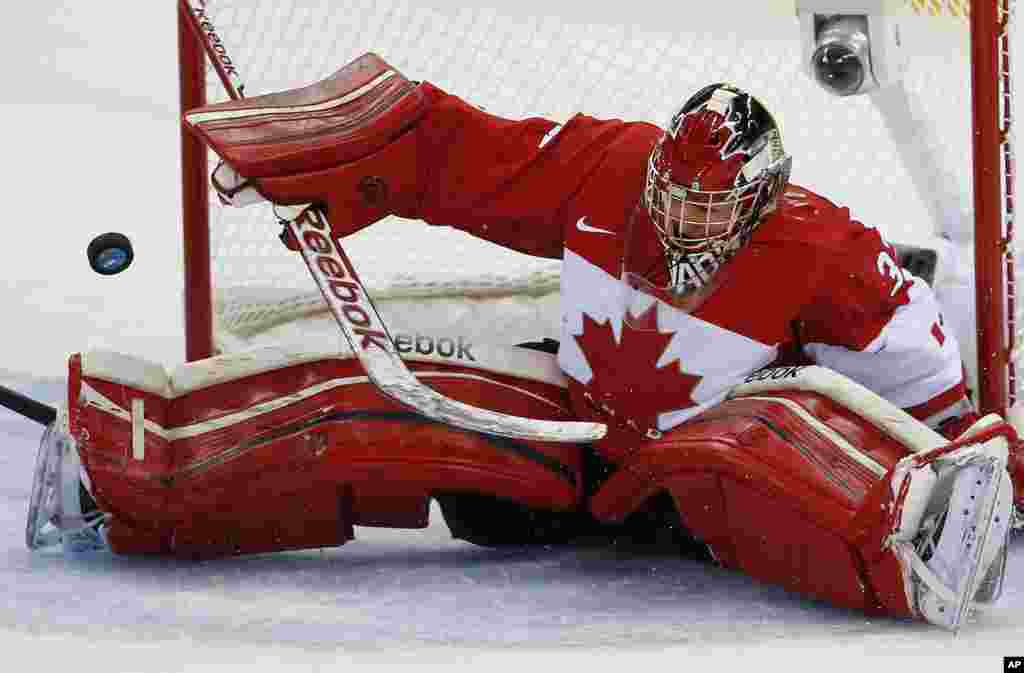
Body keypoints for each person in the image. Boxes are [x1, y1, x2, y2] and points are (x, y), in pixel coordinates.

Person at [52, 54, 1024, 629]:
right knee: (374, 409)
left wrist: (975, 458)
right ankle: (127, 475)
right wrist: (352, 160)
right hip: (569, 446)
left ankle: (918, 546)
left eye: (711, 206)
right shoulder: (606, 165)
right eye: (670, 196)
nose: (683, 222)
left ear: (763, 197)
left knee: (766, 436)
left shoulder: (825, 250)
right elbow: (465, 156)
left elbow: (923, 370)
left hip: (697, 482)